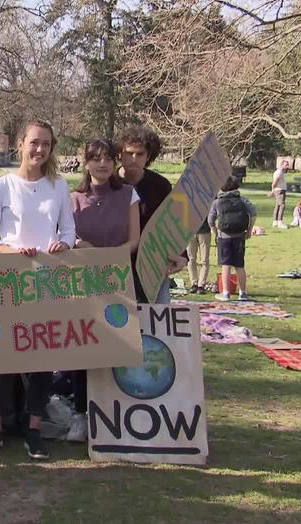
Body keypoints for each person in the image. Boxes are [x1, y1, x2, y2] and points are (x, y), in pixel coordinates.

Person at [0, 119, 76, 459]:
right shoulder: (1, 186)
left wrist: (62, 246)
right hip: (9, 281)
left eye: (46, 144)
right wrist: (10, 251)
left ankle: (34, 428)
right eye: (34, 142)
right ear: (21, 144)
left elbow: (68, 233)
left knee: (41, 360)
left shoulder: (59, 186)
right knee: (3, 358)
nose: (39, 149)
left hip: (47, 281)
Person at [69, 138, 140, 443]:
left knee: (118, 346)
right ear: (86, 163)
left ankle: (116, 414)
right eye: (95, 158)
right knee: (83, 349)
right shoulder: (72, 199)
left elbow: (134, 239)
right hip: (83, 284)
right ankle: (81, 415)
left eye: (108, 158)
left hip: (120, 280)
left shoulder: (128, 195)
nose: (102, 164)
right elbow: (67, 237)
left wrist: (112, 259)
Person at [117, 125, 183, 303]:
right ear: (119, 154)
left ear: (148, 156)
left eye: (140, 154)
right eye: (129, 153)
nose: (133, 159)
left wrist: (182, 256)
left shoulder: (160, 185)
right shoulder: (110, 183)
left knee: (156, 324)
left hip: (153, 265)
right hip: (116, 267)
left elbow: (173, 223)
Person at [208, 176, 257, 301]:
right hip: (240, 235)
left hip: (224, 236)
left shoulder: (217, 202)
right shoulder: (242, 200)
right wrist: (250, 230)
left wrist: (215, 232)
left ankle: (225, 293)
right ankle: (243, 293)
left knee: (226, 265)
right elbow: (253, 213)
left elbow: (211, 220)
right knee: (239, 265)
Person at [187, 219, 212, 294]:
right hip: (190, 231)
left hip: (204, 231)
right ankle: (194, 283)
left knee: (204, 260)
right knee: (191, 259)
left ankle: (201, 285)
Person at [270, 160, 290, 228]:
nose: (287, 166)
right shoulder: (279, 172)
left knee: (278, 205)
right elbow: (275, 182)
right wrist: (273, 190)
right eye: (286, 165)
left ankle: (275, 221)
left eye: (288, 164)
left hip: (279, 190)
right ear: (282, 165)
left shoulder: (280, 172)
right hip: (280, 190)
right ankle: (280, 222)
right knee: (282, 205)